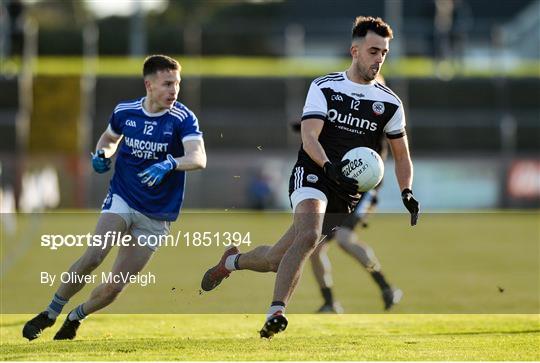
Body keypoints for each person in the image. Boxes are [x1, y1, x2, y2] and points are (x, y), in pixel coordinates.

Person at [201, 16, 419, 339]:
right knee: (309, 236)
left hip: (346, 196)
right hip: (313, 174)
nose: (379, 59)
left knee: (277, 259)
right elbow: (309, 137)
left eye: (384, 53)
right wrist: (329, 166)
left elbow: (401, 155)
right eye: (373, 51)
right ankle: (277, 311)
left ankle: (232, 261)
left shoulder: (389, 103)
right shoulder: (325, 87)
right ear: (354, 51)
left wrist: (407, 192)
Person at [22, 55, 206, 341]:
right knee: (93, 256)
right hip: (123, 197)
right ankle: (49, 312)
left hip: (157, 214)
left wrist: (170, 163)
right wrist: (102, 156)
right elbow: (108, 139)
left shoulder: (183, 118)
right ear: (149, 84)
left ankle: (76, 316)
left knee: (114, 287)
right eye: (167, 83)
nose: (174, 90)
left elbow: (198, 157)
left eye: (177, 84)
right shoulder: (125, 112)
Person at [291, 74, 403, 314]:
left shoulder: (385, 114)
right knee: (315, 246)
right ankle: (330, 302)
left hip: (365, 189)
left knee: (343, 238)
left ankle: (386, 286)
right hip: (339, 185)